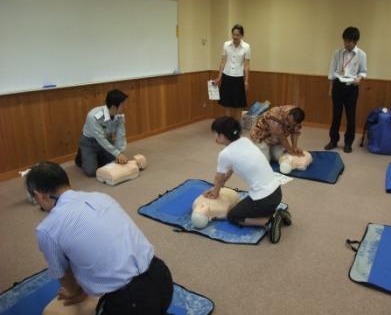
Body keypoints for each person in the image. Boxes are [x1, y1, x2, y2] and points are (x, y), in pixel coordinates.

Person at [26, 162, 173, 314]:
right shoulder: (101, 197)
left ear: (38, 195)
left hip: (132, 302)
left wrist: (75, 292)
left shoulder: (47, 229)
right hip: (162, 277)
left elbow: (62, 274)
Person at [204, 116, 291, 243]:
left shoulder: (225, 154)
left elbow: (218, 177)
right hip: (277, 193)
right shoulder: (245, 141)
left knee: (233, 216)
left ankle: (269, 222)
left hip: (263, 200)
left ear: (222, 136)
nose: (215, 137)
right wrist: (224, 181)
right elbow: (232, 167)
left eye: (215, 134)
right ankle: (275, 213)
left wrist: (216, 191)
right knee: (250, 205)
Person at [325, 27, 367, 153]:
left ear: (355, 41)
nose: (346, 44)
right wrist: (331, 88)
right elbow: (332, 71)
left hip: (351, 88)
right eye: (345, 41)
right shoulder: (337, 53)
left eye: (349, 41)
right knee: (336, 115)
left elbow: (363, 72)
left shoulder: (361, 55)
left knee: (351, 116)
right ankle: (333, 140)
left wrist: (359, 79)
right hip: (338, 86)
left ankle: (348, 143)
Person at [75, 89, 129, 177]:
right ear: (113, 107)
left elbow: (121, 135)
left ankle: (97, 156)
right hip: (89, 143)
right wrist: (117, 154)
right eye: (122, 105)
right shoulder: (93, 116)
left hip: (106, 140)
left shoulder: (119, 116)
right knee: (91, 171)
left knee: (114, 162)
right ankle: (81, 156)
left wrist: (120, 153)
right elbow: (100, 138)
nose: (124, 108)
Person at [213, 24, 250, 121]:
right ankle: (228, 126)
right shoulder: (226, 44)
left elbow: (246, 65)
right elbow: (222, 62)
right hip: (227, 76)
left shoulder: (246, 47)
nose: (235, 37)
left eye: (237, 35)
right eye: (233, 34)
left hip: (238, 77)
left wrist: (246, 81)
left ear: (242, 35)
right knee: (227, 104)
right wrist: (219, 77)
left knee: (238, 105)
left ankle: (236, 127)